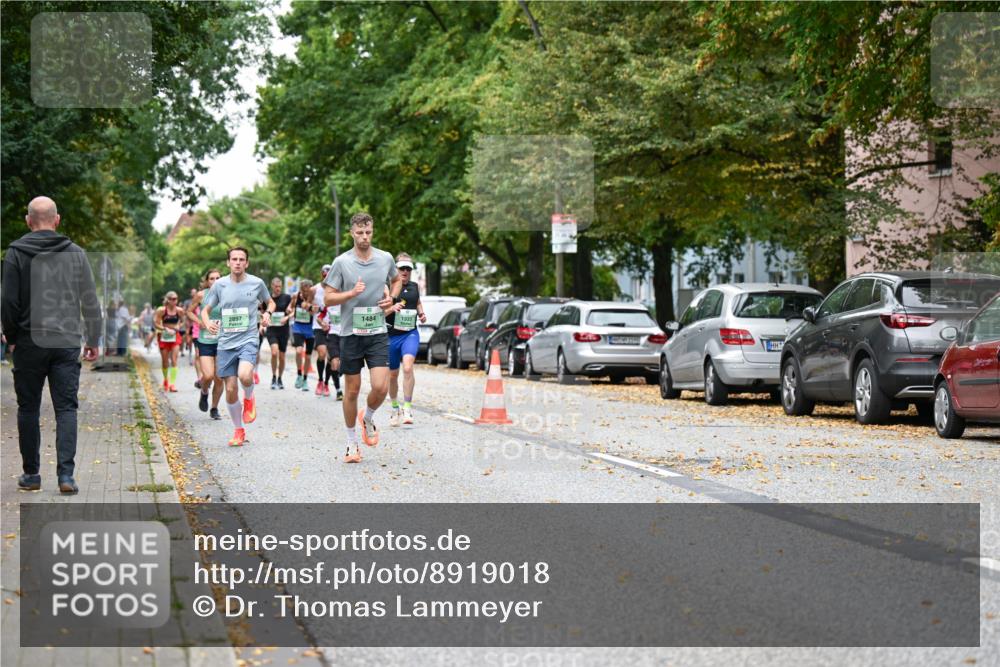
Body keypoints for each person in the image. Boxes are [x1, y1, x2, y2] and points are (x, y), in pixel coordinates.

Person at [1, 196, 102, 494]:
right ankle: (66, 477)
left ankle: (31, 475)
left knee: (28, 408)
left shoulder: (15, 253)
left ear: (28, 221)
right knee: (66, 408)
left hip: (29, 341)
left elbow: (8, 301)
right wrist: (93, 339)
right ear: (57, 220)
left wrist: (12, 338)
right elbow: (90, 299)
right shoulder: (76, 253)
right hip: (66, 341)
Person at [323, 212, 402, 463]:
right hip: (351, 334)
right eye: (359, 233)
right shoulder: (341, 262)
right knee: (352, 390)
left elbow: (397, 280)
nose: (364, 237)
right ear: (352, 233)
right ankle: (351, 443)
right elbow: (328, 298)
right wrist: (351, 293)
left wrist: (392, 298)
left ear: (372, 231)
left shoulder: (385, 258)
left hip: (377, 331)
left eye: (368, 232)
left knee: (380, 386)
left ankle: (367, 417)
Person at [201, 247, 275, 447]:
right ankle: (238, 430)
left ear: (247, 263)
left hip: (248, 338)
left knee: (245, 375)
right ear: (228, 263)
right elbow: (205, 310)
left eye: (242, 259)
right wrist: (207, 323)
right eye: (234, 259)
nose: (238, 262)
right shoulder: (220, 285)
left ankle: (249, 398)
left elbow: (270, 302)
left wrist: (267, 313)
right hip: (226, 343)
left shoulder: (257, 283)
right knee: (231, 388)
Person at [386, 253, 426, 426]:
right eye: (401, 268)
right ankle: (395, 408)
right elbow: (379, 311)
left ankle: (407, 408)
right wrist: (391, 308)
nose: (405, 271)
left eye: (408, 269)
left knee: (408, 367)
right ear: (395, 269)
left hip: (410, 333)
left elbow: (417, 302)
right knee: (393, 374)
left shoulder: (414, 286)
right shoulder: (387, 287)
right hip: (390, 335)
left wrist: (421, 313)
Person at [186, 268, 224, 420]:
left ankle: (214, 408)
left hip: (222, 341)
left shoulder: (227, 294)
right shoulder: (201, 295)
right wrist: (200, 322)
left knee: (219, 377)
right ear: (207, 282)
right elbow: (189, 311)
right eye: (212, 279)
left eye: (218, 278)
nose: (215, 281)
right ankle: (204, 392)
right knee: (208, 376)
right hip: (205, 340)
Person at [265, 276, 292, 389]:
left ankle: (280, 378)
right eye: (276, 286)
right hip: (272, 330)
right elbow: (262, 312)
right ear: (272, 286)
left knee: (282, 357)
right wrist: (263, 321)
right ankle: (273, 377)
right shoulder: (268, 299)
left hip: (283, 330)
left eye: (280, 287)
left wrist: (287, 317)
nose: (278, 289)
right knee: (274, 353)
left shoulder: (287, 297)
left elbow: (293, 310)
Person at [289, 279, 316, 391]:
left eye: (308, 291)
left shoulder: (314, 299)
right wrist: (290, 308)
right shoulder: (296, 296)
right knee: (299, 351)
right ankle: (299, 374)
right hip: (298, 327)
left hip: (310, 329)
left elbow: (314, 312)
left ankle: (305, 379)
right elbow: (290, 307)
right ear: (301, 289)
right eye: (304, 291)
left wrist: (309, 307)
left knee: (308, 357)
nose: (306, 293)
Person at [154, 291, 183, 391]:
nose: (174, 301)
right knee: (165, 361)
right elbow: (156, 323)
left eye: (176, 299)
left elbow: (183, 321)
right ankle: (166, 380)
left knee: (174, 360)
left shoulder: (179, 310)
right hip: (164, 336)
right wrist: (164, 329)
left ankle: (172, 384)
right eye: (172, 299)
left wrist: (178, 326)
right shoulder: (161, 310)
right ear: (168, 300)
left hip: (175, 336)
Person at [312, 264, 333, 397]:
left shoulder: (336, 290)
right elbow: (306, 303)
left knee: (330, 357)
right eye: (325, 276)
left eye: (329, 276)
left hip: (333, 327)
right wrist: (311, 307)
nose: (326, 279)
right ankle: (320, 380)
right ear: (321, 275)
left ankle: (326, 383)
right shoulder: (315, 289)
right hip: (318, 325)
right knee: (322, 354)